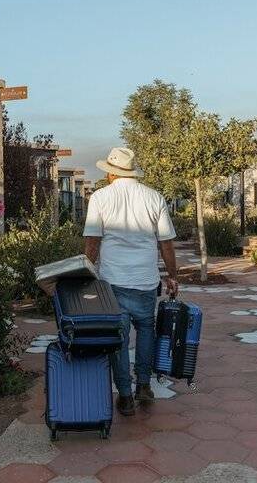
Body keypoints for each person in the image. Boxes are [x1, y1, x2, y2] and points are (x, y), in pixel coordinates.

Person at [83, 147, 178, 417]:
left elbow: (92, 242)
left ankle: (124, 395)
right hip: (145, 281)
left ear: (112, 173)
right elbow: (166, 244)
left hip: (112, 280)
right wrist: (172, 276)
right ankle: (144, 386)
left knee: (118, 338)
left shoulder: (100, 198)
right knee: (147, 330)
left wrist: (86, 274)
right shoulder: (153, 197)